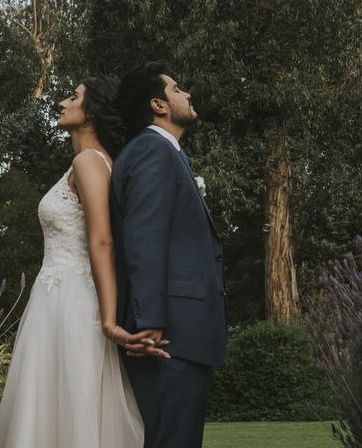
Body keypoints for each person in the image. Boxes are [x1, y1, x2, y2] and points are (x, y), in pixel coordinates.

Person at [0, 76, 157, 448]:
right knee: (52, 408)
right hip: (53, 299)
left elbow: (103, 240)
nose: (63, 102)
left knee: (71, 407)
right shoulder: (85, 162)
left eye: (74, 97)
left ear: (91, 113)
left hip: (74, 303)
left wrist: (110, 322)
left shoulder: (89, 162)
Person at [109, 61, 227, 448]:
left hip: (175, 333)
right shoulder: (151, 150)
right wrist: (151, 320)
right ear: (158, 105)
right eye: (177, 89)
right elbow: (145, 236)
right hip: (167, 335)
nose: (187, 93)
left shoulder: (162, 153)